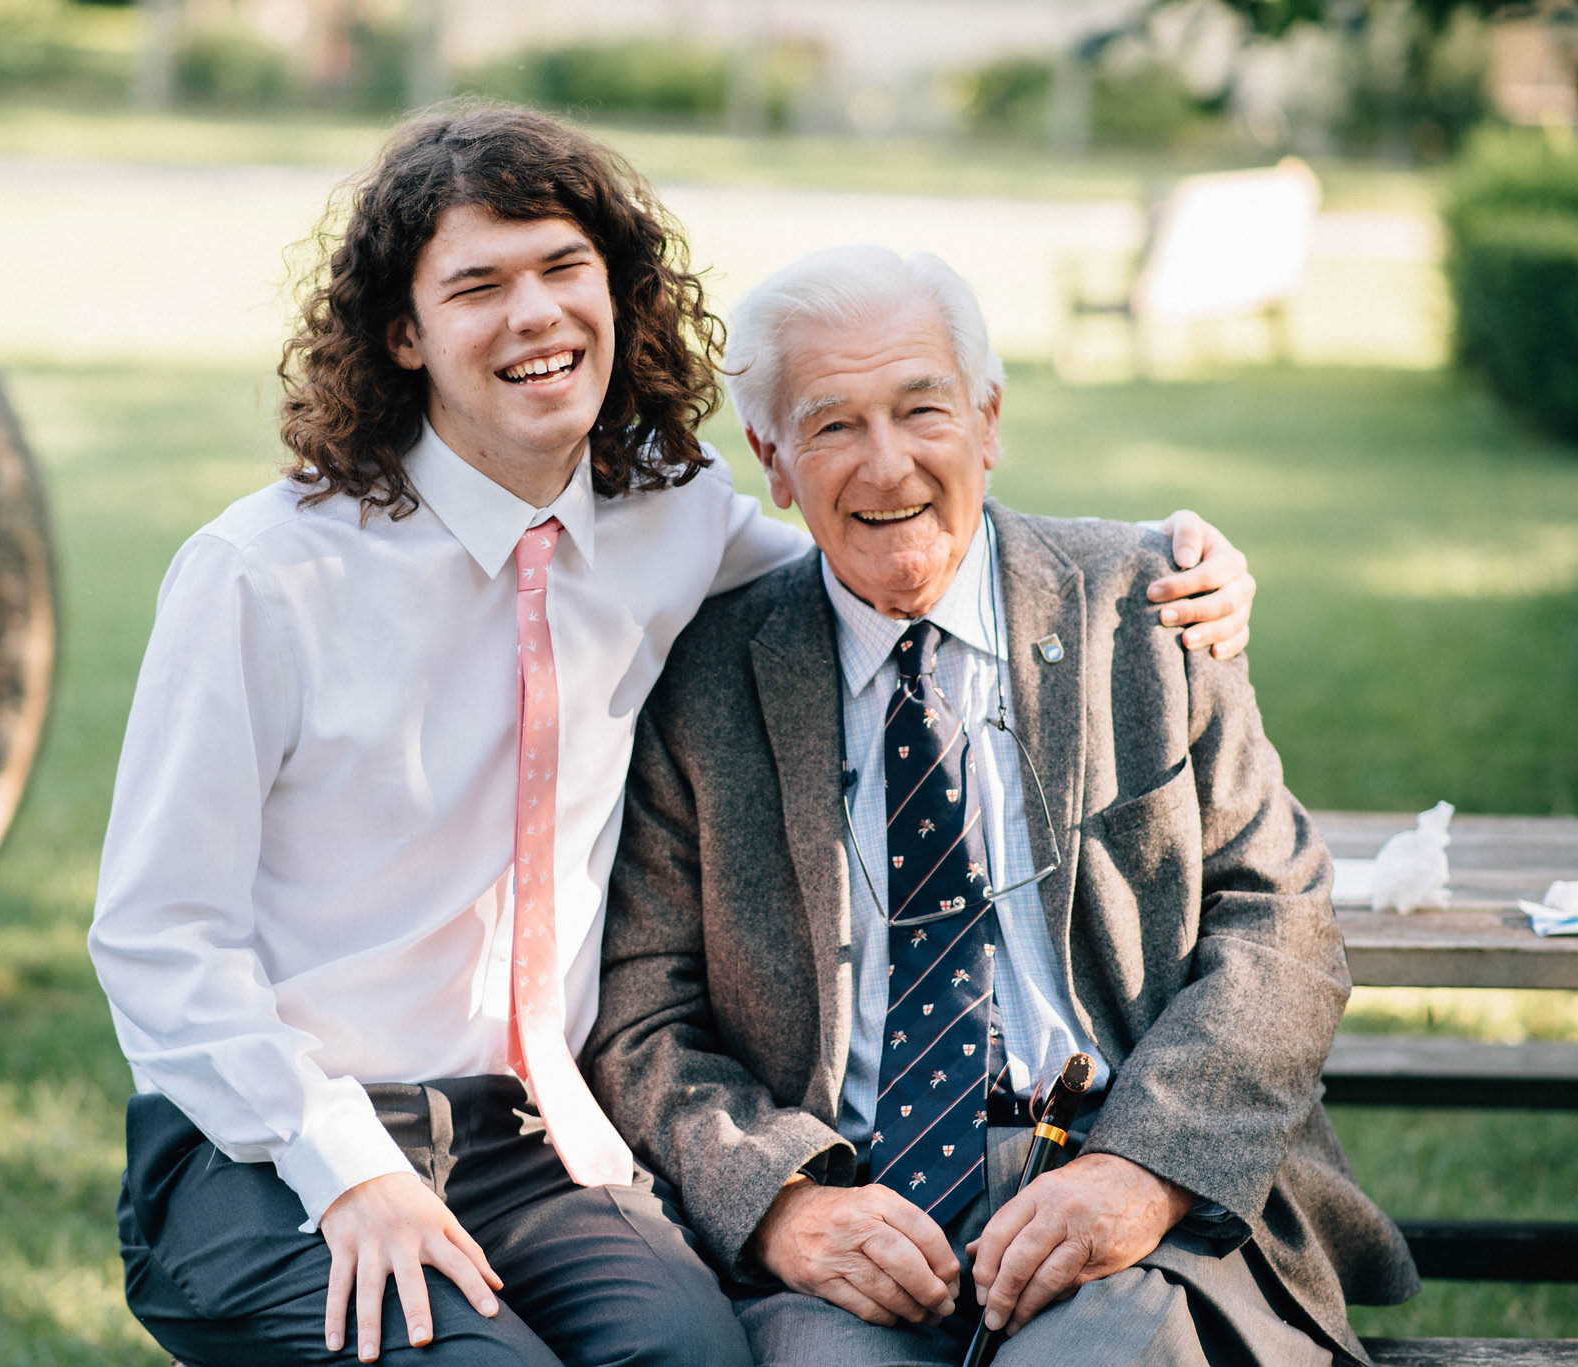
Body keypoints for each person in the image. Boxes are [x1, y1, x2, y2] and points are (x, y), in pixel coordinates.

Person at [89, 105, 1258, 1367]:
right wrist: (348, 1172)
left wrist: (1156, 561)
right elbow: (158, 938)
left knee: (701, 1357)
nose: (533, 313)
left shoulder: (668, 517)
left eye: (561, 269)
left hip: (535, 1145)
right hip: (271, 1146)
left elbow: (888, 526)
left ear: (616, 291)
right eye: (476, 284)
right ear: (401, 333)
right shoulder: (261, 578)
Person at [584, 244, 1419, 1367]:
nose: (886, 465)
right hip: (850, 1225)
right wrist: (781, 1201)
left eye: (920, 408)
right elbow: (641, 1012)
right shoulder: (704, 677)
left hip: (1141, 1207)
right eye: (832, 425)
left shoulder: (1147, 606)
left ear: (986, 420)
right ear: (771, 462)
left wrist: (1143, 1167)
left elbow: (1282, 922)